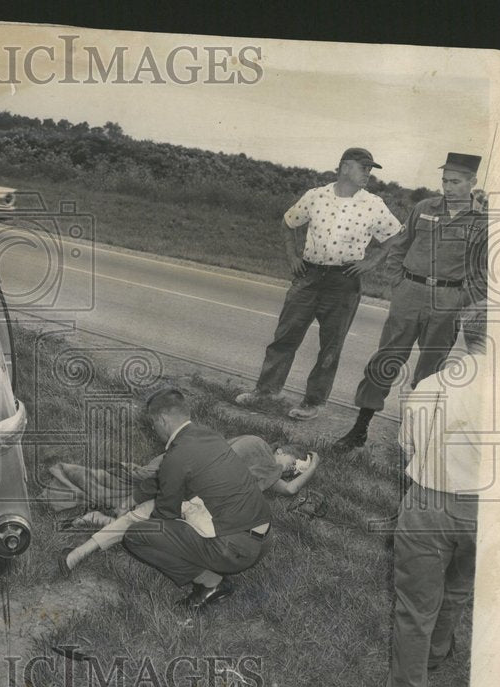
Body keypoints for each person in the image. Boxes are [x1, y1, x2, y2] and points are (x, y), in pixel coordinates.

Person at [369, 305, 489, 687]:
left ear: (463, 334)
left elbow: (408, 446)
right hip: (490, 508)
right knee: (459, 584)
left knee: (415, 609)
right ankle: (438, 651)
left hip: (431, 502)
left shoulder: (434, 384)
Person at [235, 148, 403, 421]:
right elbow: (289, 222)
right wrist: (292, 256)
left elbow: (396, 237)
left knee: (331, 346)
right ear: (345, 167)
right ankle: (265, 391)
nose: (368, 175)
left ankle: (313, 402)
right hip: (309, 277)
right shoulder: (315, 196)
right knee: (285, 336)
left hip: (344, 282)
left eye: (370, 170)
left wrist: (371, 263)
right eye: (364, 168)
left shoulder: (373, 204)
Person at [336, 153, 488, 449]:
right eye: (445, 181)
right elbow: (399, 247)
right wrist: (399, 283)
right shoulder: (424, 208)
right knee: (386, 359)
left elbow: (483, 271)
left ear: (472, 182)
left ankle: (411, 438)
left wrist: (462, 299)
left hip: (447, 301)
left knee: (430, 371)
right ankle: (359, 429)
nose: (448, 187)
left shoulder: (482, 223)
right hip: (410, 293)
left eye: (456, 182)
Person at [60, 438, 320, 573]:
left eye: (293, 470)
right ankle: (87, 542)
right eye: (292, 465)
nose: (288, 472)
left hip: (199, 499)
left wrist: (305, 467)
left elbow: (288, 487)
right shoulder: (262, 453)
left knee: (147, 520)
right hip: (192, 491)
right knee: (142, 515)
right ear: (282, 451)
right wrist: (311, 465)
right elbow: (290, 487)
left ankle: (98, 523)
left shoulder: (266, 467)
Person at [117, 388, 273, 609]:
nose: (153, 429)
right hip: (264, 540)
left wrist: (134, 515)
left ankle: (211, 584)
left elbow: (166, 514)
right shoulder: (208, 435)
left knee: (137, 535)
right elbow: (172, 474)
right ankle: (212, 559)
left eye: (152, 423)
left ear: (161, 420)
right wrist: (136, 495)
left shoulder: (177, 455)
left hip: (235, 550)